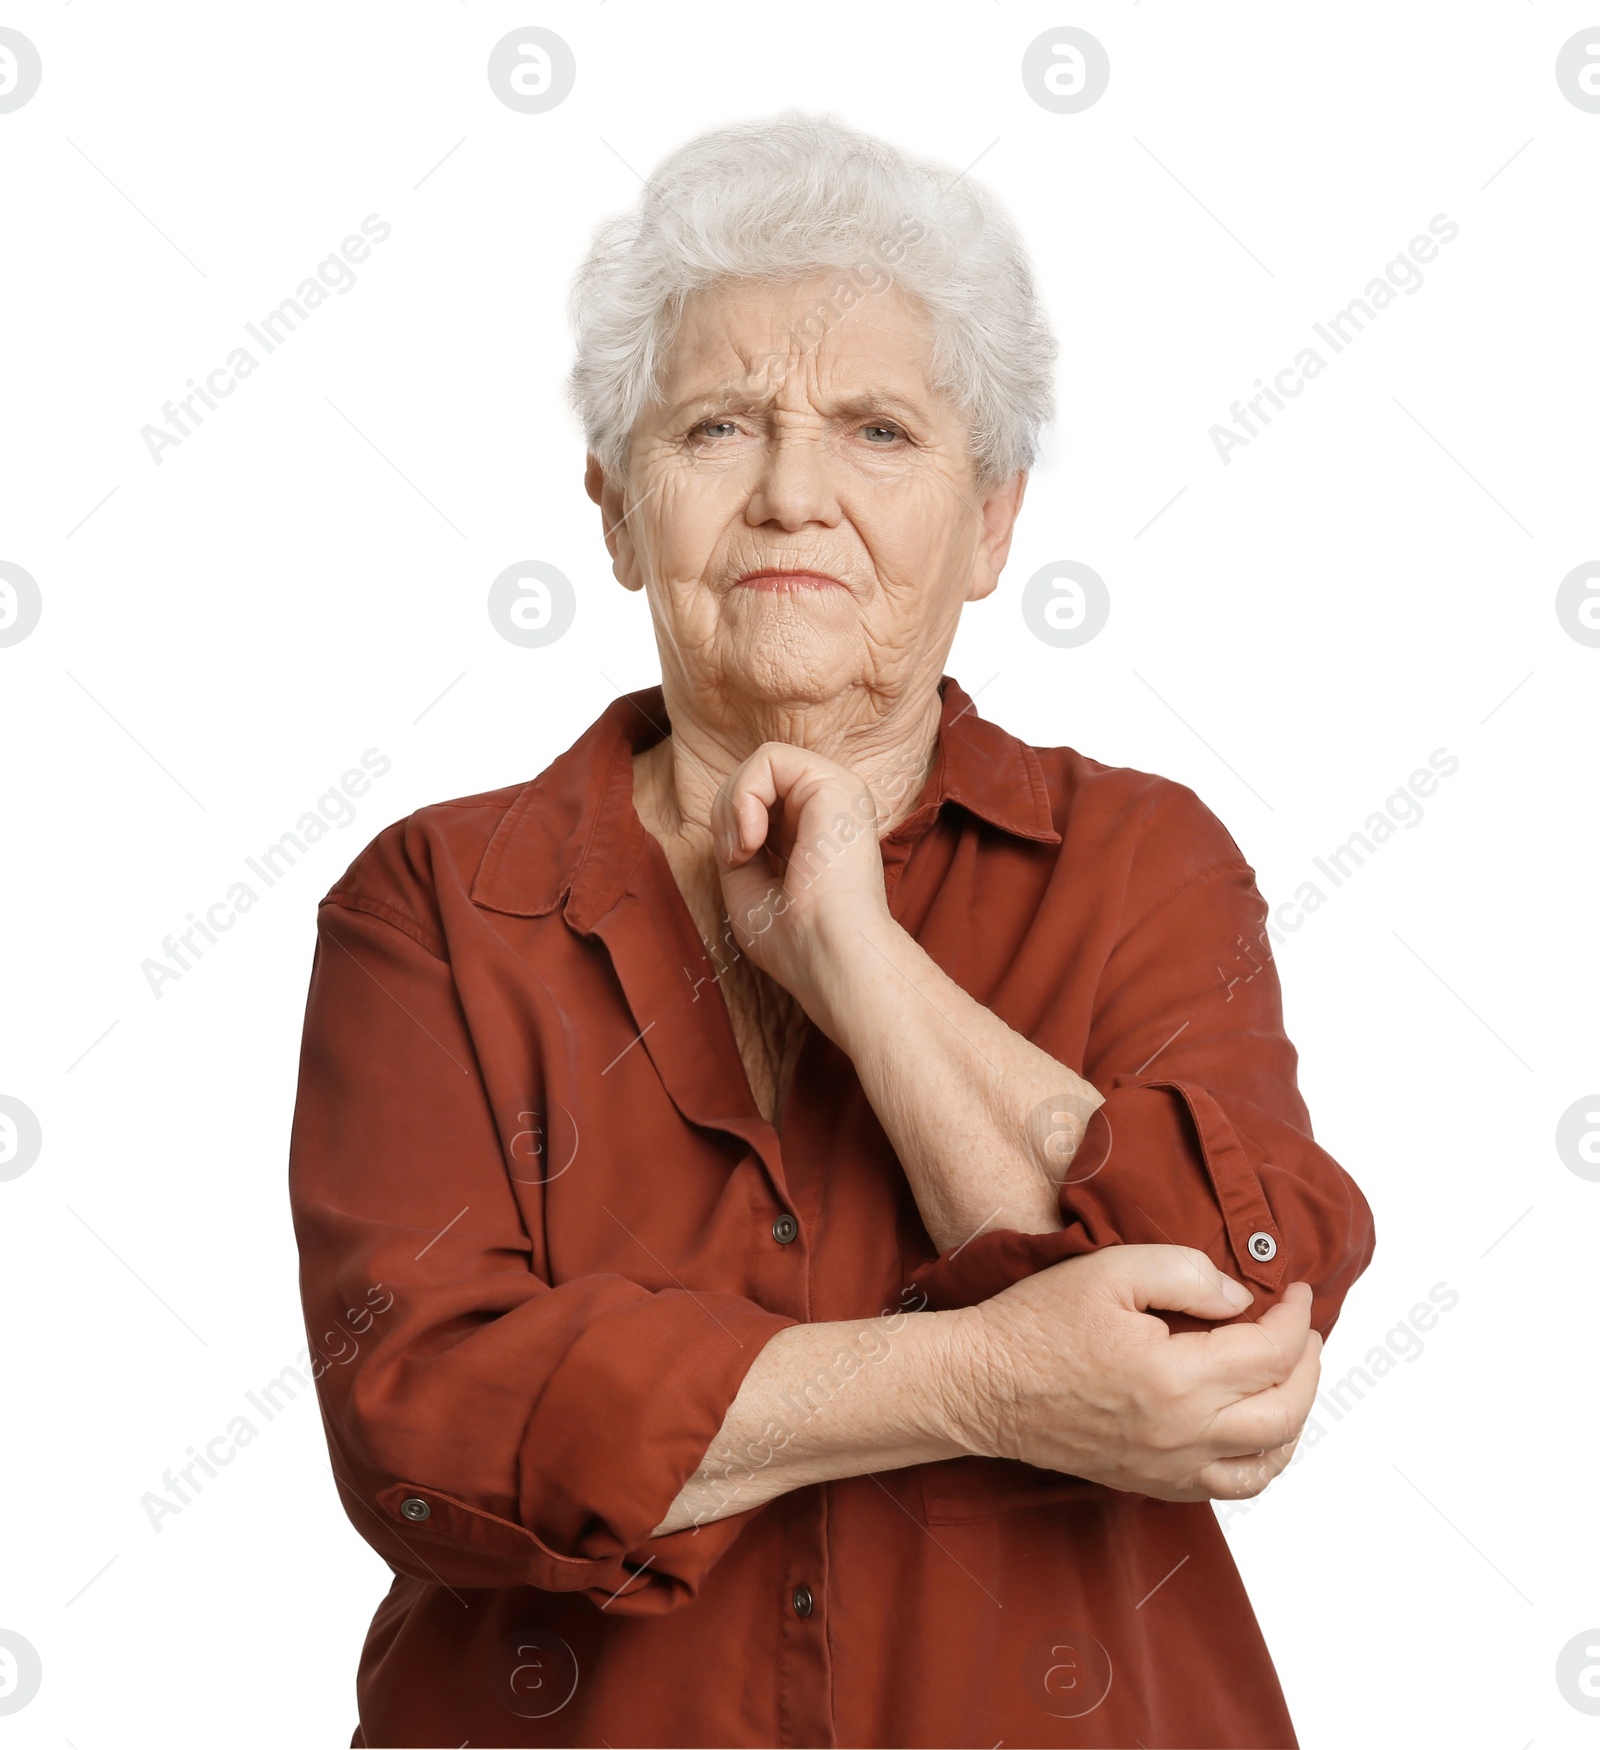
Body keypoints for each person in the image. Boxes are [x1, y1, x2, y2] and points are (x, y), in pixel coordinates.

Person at [288, 109, 1375, 1748]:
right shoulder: (434, 906)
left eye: (878, 431)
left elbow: (1221, 1337)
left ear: (993, 524)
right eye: (721, 425)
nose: (796, 493)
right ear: (614, 507)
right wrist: (983, 1377)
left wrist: (864, 967)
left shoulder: (1143, 859)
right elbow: (429, 1427)